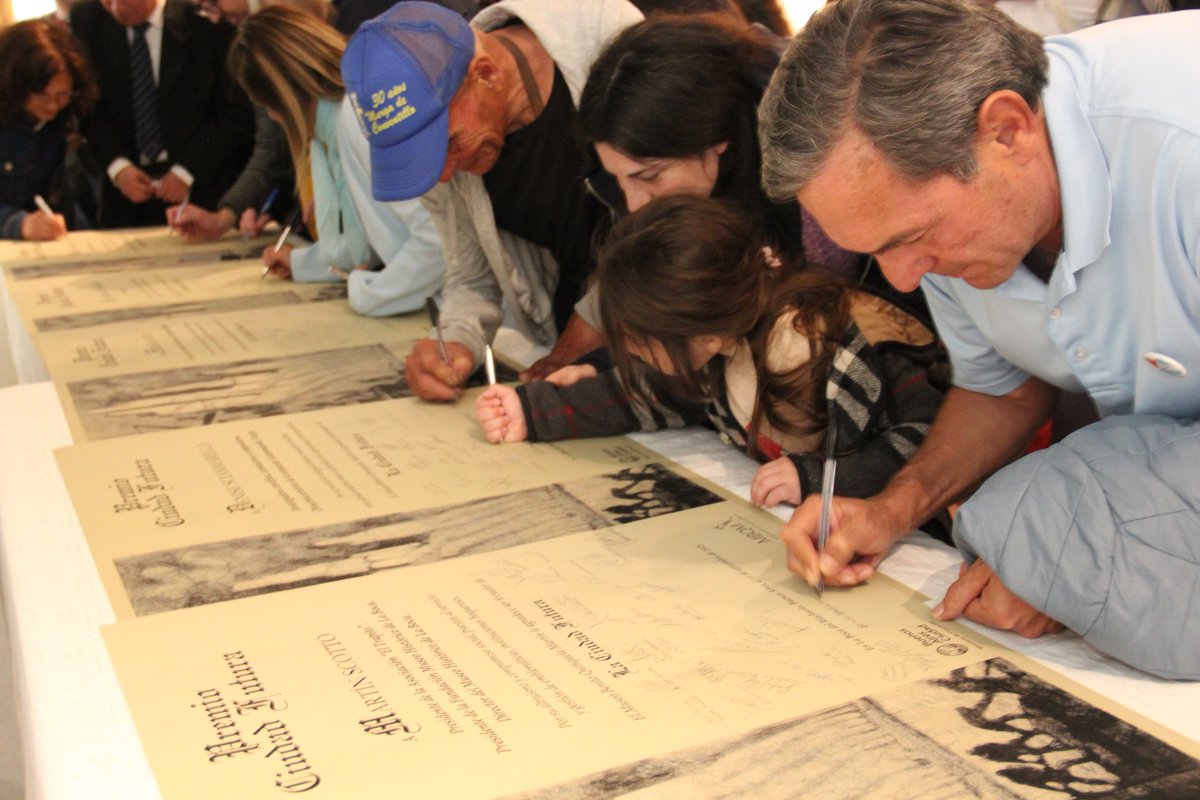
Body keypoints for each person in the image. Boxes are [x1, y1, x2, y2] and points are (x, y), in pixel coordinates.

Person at [758, 0, 1200, 678]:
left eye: (910, 237)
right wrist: (892, 507)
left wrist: (1080, 558)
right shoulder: (950, 202)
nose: (906, 276)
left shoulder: (1183, 152)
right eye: (879, 252)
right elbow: (1001, 383)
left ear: (1007, 130)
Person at [476, 196, 946, 512]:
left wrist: (821, 478)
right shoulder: (718, 347)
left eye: (639, 341)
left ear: (701, 333)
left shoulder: (833, 344)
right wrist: (532, 412)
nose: (633, 353)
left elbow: (924, 440)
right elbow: (644, 395)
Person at [525, 12, 871, 380]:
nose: (635, 205)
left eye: (650, 175)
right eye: (619, 179)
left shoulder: (813, 182)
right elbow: (669, 320)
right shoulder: (645, 174)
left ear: (716, 137)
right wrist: (598, 371)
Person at [341, 0, 644, 400]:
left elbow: (678, 220)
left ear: (485, 73)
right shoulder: (443, 151)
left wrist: (590, 324)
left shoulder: (614, 44)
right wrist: (456, 340)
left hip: (673, 336)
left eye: (448, 144)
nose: (443, 175)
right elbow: (471, 273)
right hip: (568, 346)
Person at [226, 5, 445, 316]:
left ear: (284, 95)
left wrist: (370, 294)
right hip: (432, 301)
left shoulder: (358, 121)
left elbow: (437, 239)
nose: (274, 117)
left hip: (455, 310)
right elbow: (367, 239)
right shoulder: (340, 120)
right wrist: (302, 263)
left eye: (267, 105)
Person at [69, 0, 255, 229]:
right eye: (107, 1)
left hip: (204, 191)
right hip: (125, 200)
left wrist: (188, 170)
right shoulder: (88, 18)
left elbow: (233, 113)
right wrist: (118, 167)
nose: (115, 8)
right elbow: (90, 108)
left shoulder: (205, 15)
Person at [0, 19, 98, 240]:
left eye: (62, 95)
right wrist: (19, 224)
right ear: (15, 86)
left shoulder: (64, 116)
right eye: (41, 96)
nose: (53, 106)